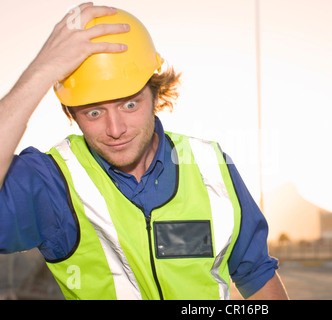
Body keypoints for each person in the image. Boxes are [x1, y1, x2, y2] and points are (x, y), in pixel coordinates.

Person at [0, 3, 288, 300]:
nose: (115, 129)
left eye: (129, 104)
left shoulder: (211, 164)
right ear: (71, 112)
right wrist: (40, 72)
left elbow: (257, 275)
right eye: (94, 112)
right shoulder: (53, 183)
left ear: (155, 92)